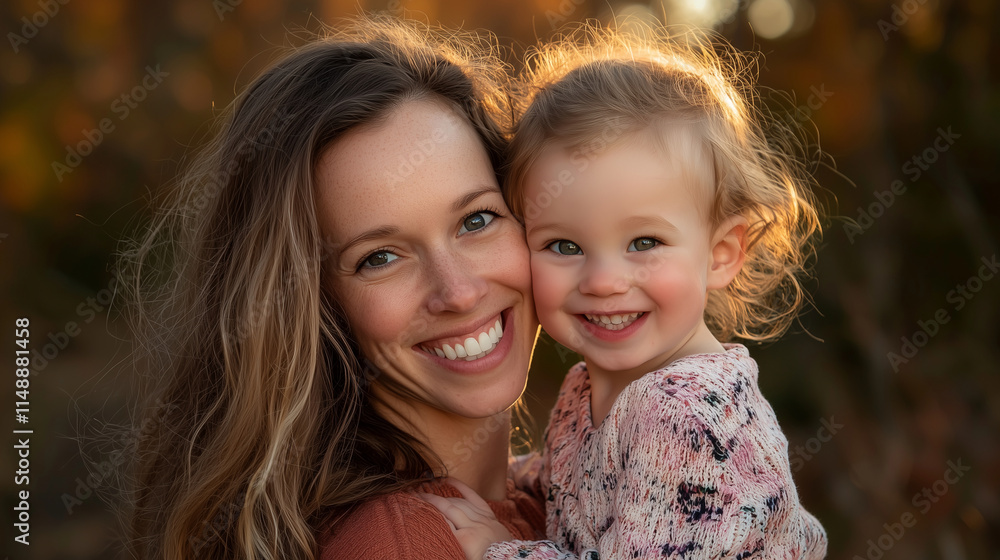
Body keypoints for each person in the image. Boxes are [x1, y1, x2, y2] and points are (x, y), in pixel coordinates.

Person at [115, 15, 544, 560]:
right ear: (312, 306)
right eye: (380, 258)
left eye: (476, 221)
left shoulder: (576, 492)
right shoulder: (400, 543)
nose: (457, 291)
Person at [425, 22, 829, 559]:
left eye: (644, 240)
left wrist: (504, 551)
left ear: (721, 253)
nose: (603, 281)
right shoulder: (591, 387)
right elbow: (569, 487)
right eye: (564, 246)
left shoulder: (687, 417)